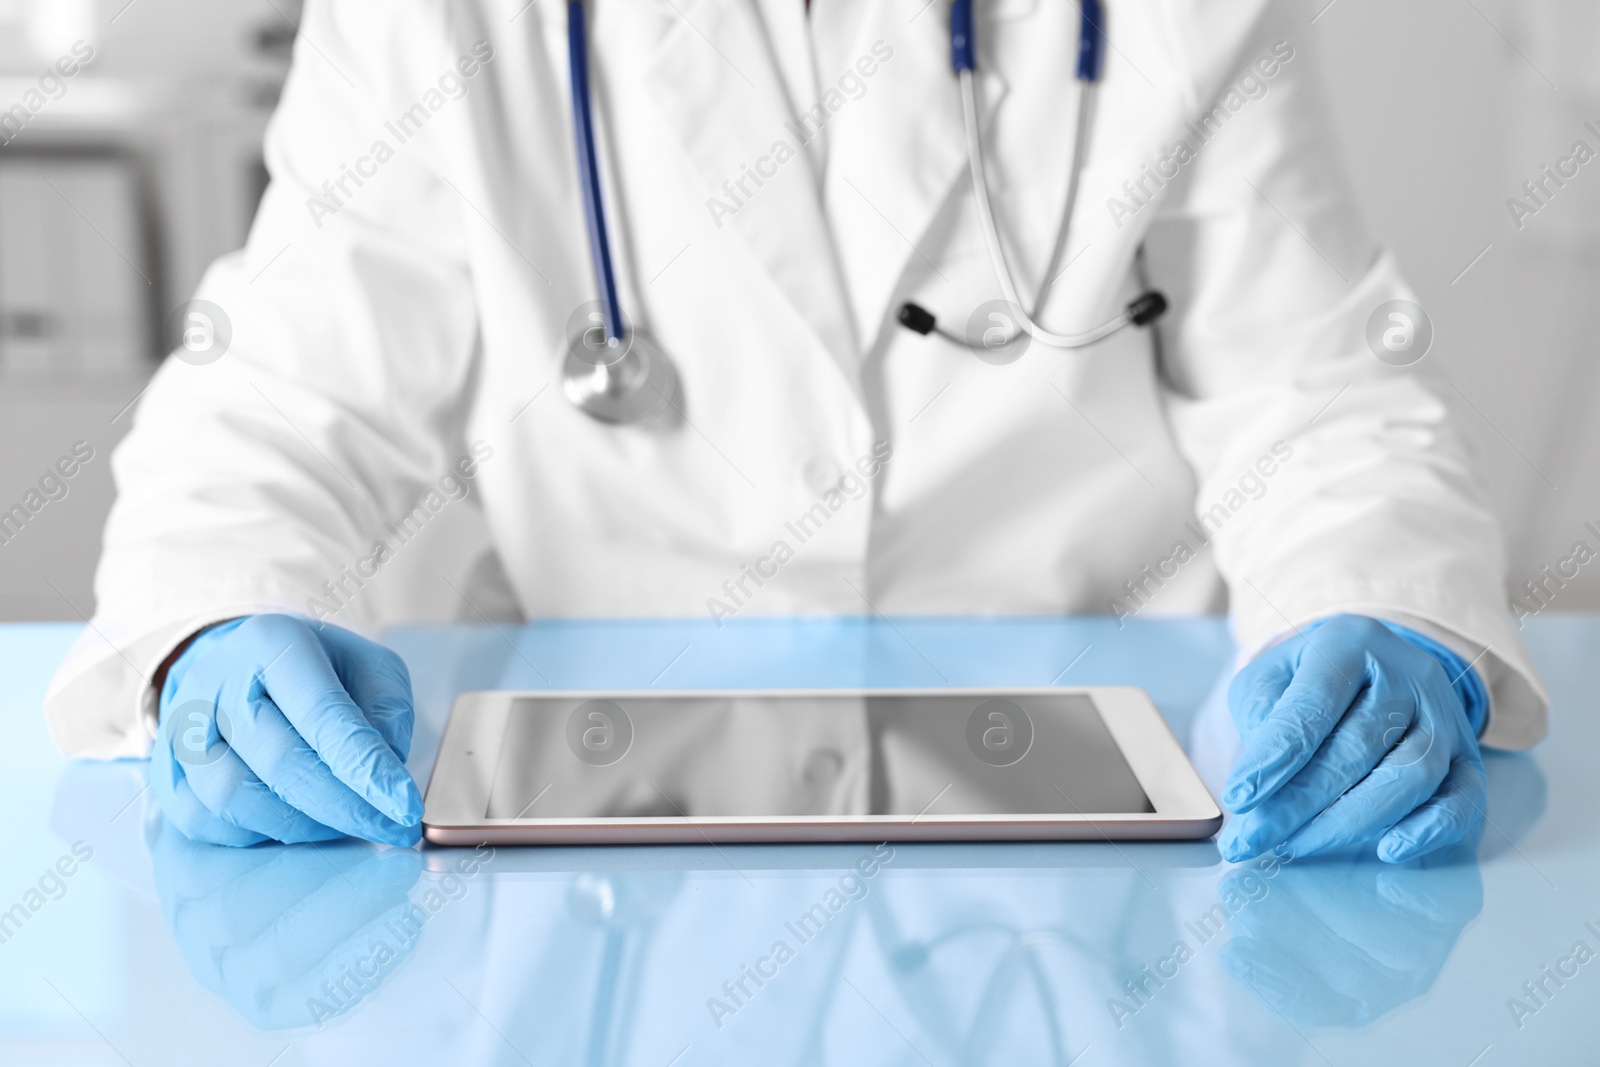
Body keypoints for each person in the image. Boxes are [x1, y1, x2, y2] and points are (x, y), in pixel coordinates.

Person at [45, 0, 1544, 859]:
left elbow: (1320, 392)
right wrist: (219, 622)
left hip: (1113, 811)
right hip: (601, 813)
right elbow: (285, 399)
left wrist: (1380, 608)